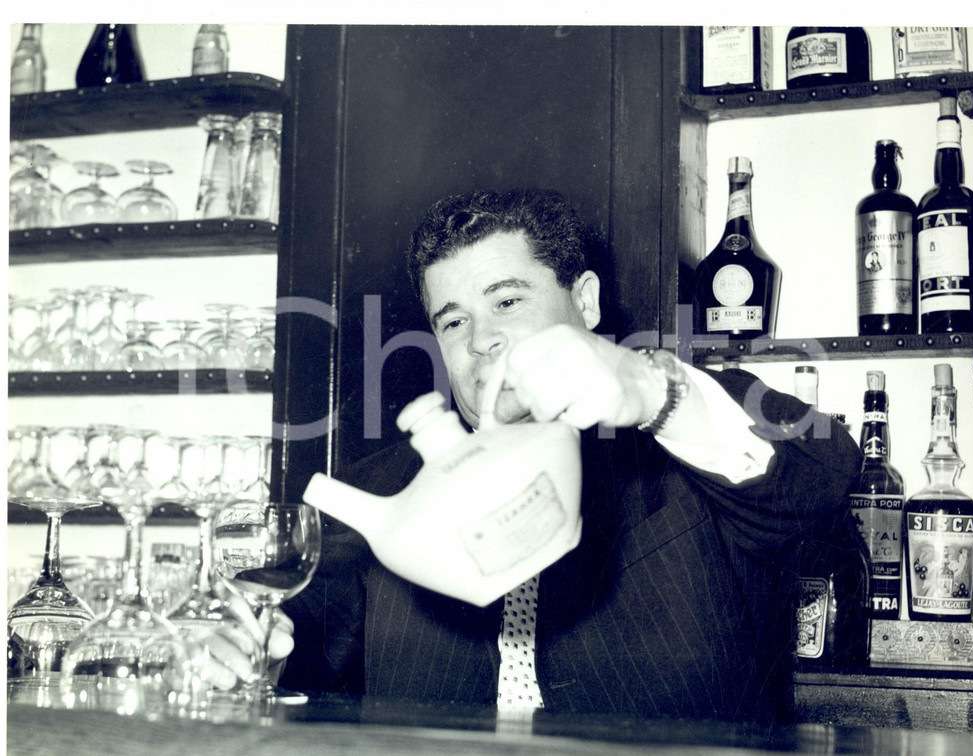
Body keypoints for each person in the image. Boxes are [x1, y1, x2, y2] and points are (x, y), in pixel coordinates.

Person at [277, 188, 862, 725]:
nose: (480, 339)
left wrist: (652, 390)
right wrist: (255, 646)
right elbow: (300, 642)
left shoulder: (675, 455)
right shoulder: (385, 494)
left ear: (585, 302)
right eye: (453, 321)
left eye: (507, 301)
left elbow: (823, 470)